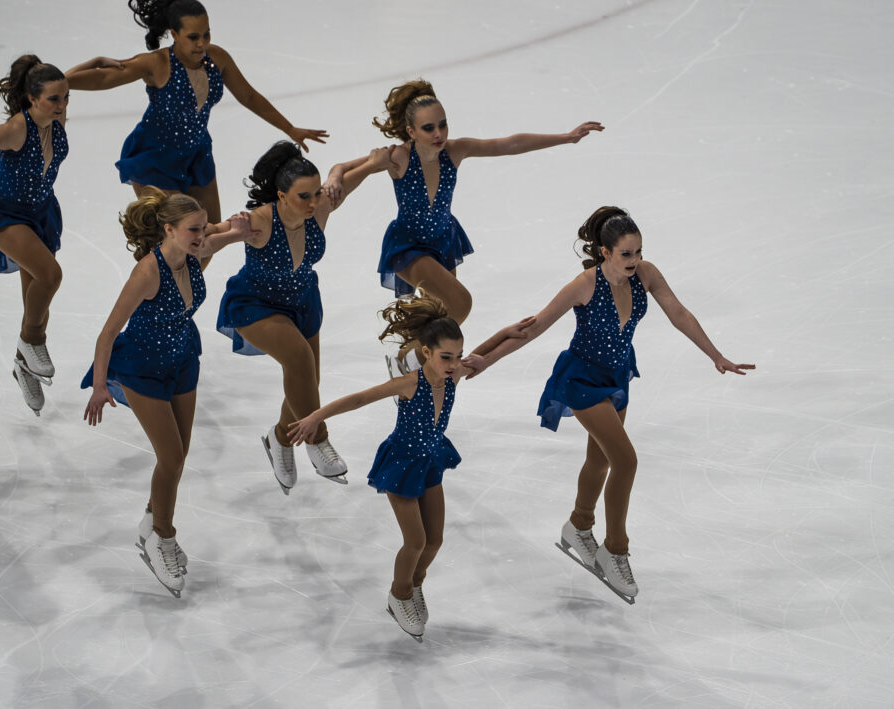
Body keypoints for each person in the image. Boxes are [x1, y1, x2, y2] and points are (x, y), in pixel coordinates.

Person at [463, 206, 755, 603]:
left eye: (638, 252)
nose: (634, 261)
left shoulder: (647, 275)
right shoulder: (584, 284)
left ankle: (579, 526)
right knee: (626, 460)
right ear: (605, 252)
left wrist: (715, 355)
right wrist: (487, 358)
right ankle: (614, 550)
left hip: (617, 377)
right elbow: (533, 330)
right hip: (581, 380)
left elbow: (679, 314)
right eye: (626, 254)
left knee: (600, 460)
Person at [288, 293, 530, 640]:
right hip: (401, 463)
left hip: (430, 460)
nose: (454, 363)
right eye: (446, 357)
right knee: (415, 542)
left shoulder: (454, 375)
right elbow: (360, 398)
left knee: (435, 541)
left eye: (457, 356)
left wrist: (506, 331)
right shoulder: (409, 384)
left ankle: (415, 583)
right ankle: (398, 595)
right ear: (427, 353)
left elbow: (483, 353)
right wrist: (316, 415)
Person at [323, 78, 603, 369]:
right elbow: (342, 167)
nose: (439, 133)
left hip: (444, 240)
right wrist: (333, 179)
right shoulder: (399, 157)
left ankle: (414, 360)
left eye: (442, 124)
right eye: (428, 128)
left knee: (441, 315)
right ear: (411, 131)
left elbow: (509, 144)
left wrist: (565, 137)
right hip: (408, 246)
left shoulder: (455, 151)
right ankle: (408, 361)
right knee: (460, 305)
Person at [81, 190, 254, 598]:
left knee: (178, 458)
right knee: (171, 457)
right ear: (169, 229)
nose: (201, 233)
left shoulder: (192, 252)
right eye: (193, 228)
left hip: (182, 361)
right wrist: (101, 385)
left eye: (203, 225)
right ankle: (162, 536)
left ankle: (152, 519)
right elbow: (108, 333)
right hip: (143, 369)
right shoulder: (147, 273)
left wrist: (238, 231)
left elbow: (216, 238)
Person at [65, 0, 328, 255]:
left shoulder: (218, 58)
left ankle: (184, 298)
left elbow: (248, 96)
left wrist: (289, 128)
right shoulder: (157, 64)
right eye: (193, 37)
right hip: (156, 160)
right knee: (179, 241)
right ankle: (157, 295)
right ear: (175, 34)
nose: (201, 43)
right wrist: (57, 83)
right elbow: (105, 77)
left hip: (196, 156)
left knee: (208, 238)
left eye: (206, 34)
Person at [215, 141, 390, 494]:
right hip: (257, 304)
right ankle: (318, 439)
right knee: (298, 359)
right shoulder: (260, 220)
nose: (313, 203)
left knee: (308, 379)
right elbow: (204, 237)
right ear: (281, 195)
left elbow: (363, 169)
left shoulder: (320, 205)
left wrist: (374, 161)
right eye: (303, 197)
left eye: (315, 195)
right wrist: (227, 233)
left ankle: (280, 438)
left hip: (303, 300)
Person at [0, 55, 73, 415]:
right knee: (51, 275)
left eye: (65, 97)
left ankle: (23, 365)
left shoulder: (56, 121)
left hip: (41, 211)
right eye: (54, 99)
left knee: (36, 297)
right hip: (6, 213)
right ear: (32, 98)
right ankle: (30, 342)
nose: (61, 105)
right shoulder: (14, 128)